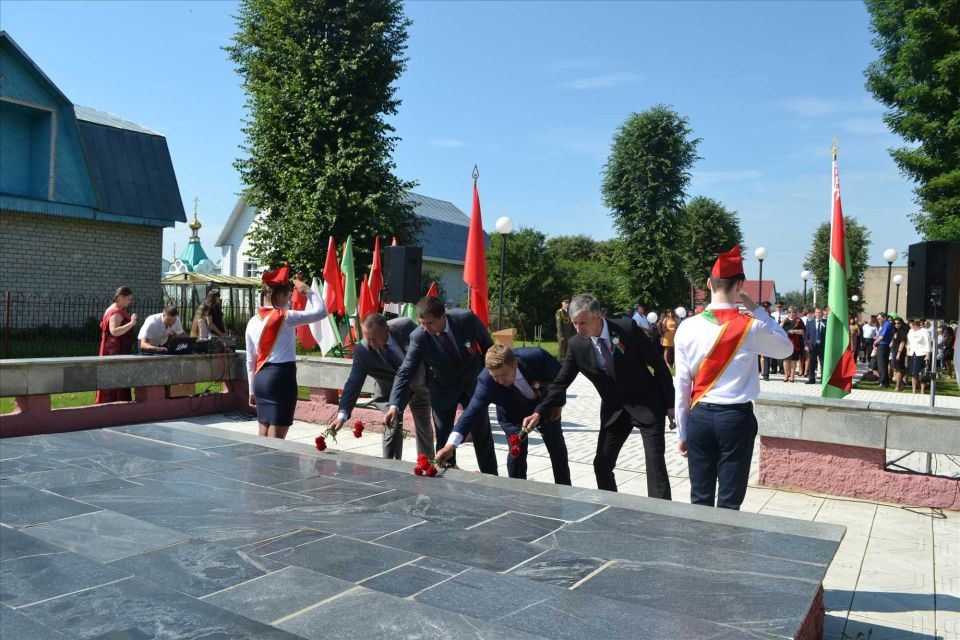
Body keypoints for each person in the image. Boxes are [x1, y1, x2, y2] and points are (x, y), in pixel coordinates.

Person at [674, 245, 793, 510]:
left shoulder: (687, 327)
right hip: (736, 419)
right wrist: (758, 310)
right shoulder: (751, 326)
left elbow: (681, 385)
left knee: (699, 498)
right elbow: (786, 348)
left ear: (709, 283)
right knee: (729, 501)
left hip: (699, 417)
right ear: (740, 286)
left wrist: (683, 431)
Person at [522, 293, 675, 496]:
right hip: (614, 411)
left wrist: (670, 404)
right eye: (575, 323)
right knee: (602, 465)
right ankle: (611, 507)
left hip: (646, 403)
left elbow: (659, 366)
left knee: (656, 467)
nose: (578, 329)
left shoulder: (626, 329)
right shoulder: (577, 345)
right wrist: (539, 412)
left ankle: (659, 512)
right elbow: (560, 382)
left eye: (583, 323)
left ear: (597, 317)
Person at [385, 296, 498, 474]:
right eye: (421, 323)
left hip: (473, 384)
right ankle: (447, 476)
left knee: (481, 433)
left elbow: (488, 348)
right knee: (444, 437)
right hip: (443, 388)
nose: (425, 328)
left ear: (443, 316)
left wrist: (487, 380)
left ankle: (491, 477)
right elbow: (405, 371)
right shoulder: (419, 337)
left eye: (429, 323)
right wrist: (394, 405)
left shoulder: (466, 319)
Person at [436, 344, 571, 485]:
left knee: (557, 449)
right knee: (516, 453)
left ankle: (565, 488)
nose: (500, 381)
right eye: (495, 376)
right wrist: (450, 445)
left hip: (545, 407)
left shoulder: (537, 357)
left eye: (503, 374)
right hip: (512, 414)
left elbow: (561, 378)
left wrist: (558, 404)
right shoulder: (486, 382)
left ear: (514, 364)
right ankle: (517, 489)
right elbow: (471, 413)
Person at [330, 313, 433, 459]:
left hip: (418, 386)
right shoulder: (362, 351)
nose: (371, 344)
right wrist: (342, 415)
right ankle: (389, 466)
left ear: (386, 330)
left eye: (375, 338)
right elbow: (353, 383)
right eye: (367, 339)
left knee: (424, 428)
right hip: (389, 392)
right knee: (391, 429)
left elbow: (428, 344)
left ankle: (427, 464)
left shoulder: (405, 327)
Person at [245, 267, 327, 439]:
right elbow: (321, 312)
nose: (290, 298)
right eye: (288, 295)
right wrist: (309, 292)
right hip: (281, 378)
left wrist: (251, 389)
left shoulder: (252, 321)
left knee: (262, 436)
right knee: (277, 441)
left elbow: (250, 361)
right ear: (281, 295)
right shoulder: (286, 316)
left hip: (261, 379)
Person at [96, 286, 138, 404]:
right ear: (120, 297)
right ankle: (116, 404)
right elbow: (114, 331)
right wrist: (131, 323)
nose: (130, 302)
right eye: (128, 299)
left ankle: (108, 402)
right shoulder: (116, 312)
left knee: (110, 376)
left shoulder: (111, 309)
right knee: (116, 377)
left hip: (110, 348)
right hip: (115, 350)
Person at [906, 319, 932, 394]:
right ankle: (913, 390)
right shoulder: (910, 331)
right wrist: (908, 349)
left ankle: (922, 391)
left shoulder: (924, 331)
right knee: (914, 373)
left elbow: (928, 343)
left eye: (913, 325)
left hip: (921, 353)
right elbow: (909, 342)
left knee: (922, 373)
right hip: (912, 353)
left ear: (917, 325)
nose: (911, 327)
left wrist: (928, 354)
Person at [781, 306, 805, 383]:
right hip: (785, 343)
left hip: (795, 343)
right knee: (786, 359)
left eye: (793, 312)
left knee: (793, 360)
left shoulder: (799, 320)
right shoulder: (785, 320)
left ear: (796, 313)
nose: (791, 314)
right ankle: (786, 375)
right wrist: (783, 322)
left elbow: (803, 331)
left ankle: (792, 376)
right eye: (790, 312)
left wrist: (795, 331)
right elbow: (778, 329)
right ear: (788, 313)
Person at [804, 308, 827, 384]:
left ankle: (823, 379)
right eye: (817, 312)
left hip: (822, 346)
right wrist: (806, 345)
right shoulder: (810, 323)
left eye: (819, 312)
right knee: (812, 363)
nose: (818, 314)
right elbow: (807, 335)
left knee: (823, 363)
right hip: (813, 346)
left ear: (822, 313)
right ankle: (811, 379)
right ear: (814, 313)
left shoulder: (826, 322)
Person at [874, 312, 894, 388]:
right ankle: (886, 382)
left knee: (881, 365)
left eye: (879, 318)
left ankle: (882, 382)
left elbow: (881, 336)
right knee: (884, 364)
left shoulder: (886, 324)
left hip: (883, 345)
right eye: (877, 319)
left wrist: (874, 343)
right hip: (884, 345)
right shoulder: (886, 324)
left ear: (884, 318)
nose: (878, 320)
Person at [890, 317, 909, 391]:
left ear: (901, 323)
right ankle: (900, 385)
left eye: (898, 323)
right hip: (894, 351)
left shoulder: (902, 331)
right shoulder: (896, 331)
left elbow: (902, 342)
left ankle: (898, 386)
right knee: (896, 368)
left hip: (899, 352)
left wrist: (899, 353)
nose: (896, 324)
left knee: (899, 369)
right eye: (895, 323)